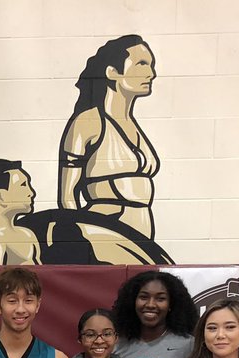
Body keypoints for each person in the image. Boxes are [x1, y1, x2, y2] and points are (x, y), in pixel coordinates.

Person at [57, 35, 161, 260]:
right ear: (112, 72)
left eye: (151, 65)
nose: (150, 73)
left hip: (140, 232)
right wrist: (77, 243)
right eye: (142, 64)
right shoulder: (89, 122)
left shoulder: (133, 125)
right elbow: (68, 197)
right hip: (105, 232)